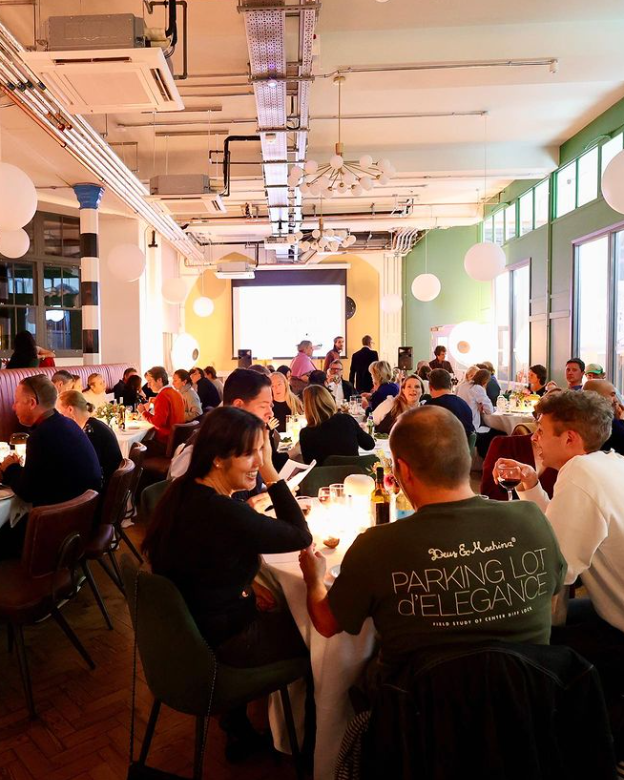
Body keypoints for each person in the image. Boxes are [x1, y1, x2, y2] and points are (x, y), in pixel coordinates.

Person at [298, 405, 566, 680]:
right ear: (465, 457)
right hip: (529, 702)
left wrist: (313, 579)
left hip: (416, 711)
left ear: (402, 469)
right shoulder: (532, 518)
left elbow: (327, 623)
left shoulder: (377, 545)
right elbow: (555, 588)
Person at [142, 406, 312, 760]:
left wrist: (247, 584)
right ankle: (305, 739)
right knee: (315, 635)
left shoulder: (183, 492)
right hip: (223, 642)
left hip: (189, 632)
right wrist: (271, 472)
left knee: (278, 603)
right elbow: (299, 535)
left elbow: (203, 562)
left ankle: (238, 726)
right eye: (250, 453)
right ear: (218, 459)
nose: (257, 462)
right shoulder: (223, 513)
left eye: (260, 452)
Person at [494, 390, 624, 714]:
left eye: (540, 430)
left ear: (569, 438)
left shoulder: (580, 476)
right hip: (612, 611)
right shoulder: (607, 462)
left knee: (517, 651)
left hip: (619, 628)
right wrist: (529, 483)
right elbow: (559, 531)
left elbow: (554, 569)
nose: (534, 438)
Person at [0, 375, 101, 559]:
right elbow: (44, 478)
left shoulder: (42, 435)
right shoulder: (67, 423)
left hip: (58, 529)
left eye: (16, 402)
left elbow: (27, 492)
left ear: (32, 403)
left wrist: (9, 468)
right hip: (85, 519)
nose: (13, 407)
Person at [57, 390, 123, 493]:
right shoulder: (93, 424)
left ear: (70, 409)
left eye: (61, 412)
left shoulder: (91, 431)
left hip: (105, 490)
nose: (60, 417)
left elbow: (90, 466)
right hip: (111, 484)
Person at [299, 385, 375, 466]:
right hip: (352, 474)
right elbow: (369, 445)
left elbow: (309, 465)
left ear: (306, 407)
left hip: (324, 477)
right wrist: (359, 431)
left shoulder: (306, 433)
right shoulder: (346, 420)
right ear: (329, 400)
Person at [480, 433, 558, 501]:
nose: (533, 437)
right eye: (537, 424)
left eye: (541, 430)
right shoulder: (503, 445)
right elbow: (487, 498)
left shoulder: (567, 462)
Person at [138, 366, 185, 454]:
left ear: (159, 380)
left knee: (135, 446)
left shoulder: (162, 396)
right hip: (176, 442)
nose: (148, 386)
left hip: (165, 444)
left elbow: (158, 423)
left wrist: (143, 412)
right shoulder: (177, 393)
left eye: (149, 382)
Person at [425, 368, 474, 438]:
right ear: (450, 385)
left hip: (443, 447)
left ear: (430, 387)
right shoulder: (464, 404)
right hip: (464, 447)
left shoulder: (430, 406)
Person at [583, 379, 624, 455]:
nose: (615, 400)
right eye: (612, 395)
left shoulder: (580, 420)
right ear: (597, 397)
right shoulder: (607, 422)